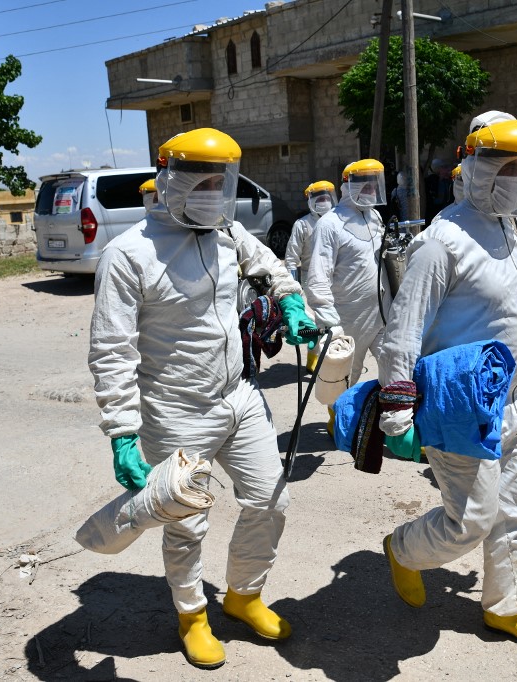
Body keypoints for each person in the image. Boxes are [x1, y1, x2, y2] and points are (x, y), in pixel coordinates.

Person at [88, 128, 317, 670]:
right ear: (170, 180)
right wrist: (122, 430)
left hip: (239, 395)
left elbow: (270, 264)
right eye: (204, 181)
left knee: (270, 500)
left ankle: (243, 595)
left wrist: (290, 300)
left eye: (223, 181)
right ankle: (192, 615)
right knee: (186, 523)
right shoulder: (129, 255)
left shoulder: (226, 233)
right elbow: (111, 349)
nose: (216, 192)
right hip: (174, 410)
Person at [377, 118, 517, 649]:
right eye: (504, 168)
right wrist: (396, 413)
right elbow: (401, 336)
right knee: (471, 520)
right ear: (473, 168)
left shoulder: (509, 228)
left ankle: (505, 607)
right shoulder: (442, 242)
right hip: (464, 408)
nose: (514, 180)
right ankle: (403, 548)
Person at [305, 159, 392, 431]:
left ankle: (397, 423)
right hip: (348, 318)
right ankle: (339, 424)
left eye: (373, 184)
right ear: (347, 185)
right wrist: (332, 324)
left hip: (381, 312)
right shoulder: (330, 225)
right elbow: (317, 280)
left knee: (396, 366)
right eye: (362, 184)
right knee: (345, 379)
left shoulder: (375, 218)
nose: (369, 191)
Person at [284, 180, 335, 373]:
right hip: (310, 279)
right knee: (315, 322)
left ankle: (331, 359)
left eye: (326, 197)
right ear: (311, 200)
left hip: (334, 278)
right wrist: (292, 288)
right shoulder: (302, 225)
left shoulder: (337, 222)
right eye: (319, 198)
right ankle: (313, 358)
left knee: (334, 321)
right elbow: (291, 258)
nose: (323, 201)